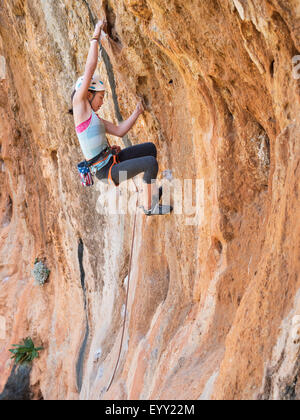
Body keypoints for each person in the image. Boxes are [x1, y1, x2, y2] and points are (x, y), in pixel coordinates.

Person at [71, 19, 173, 216]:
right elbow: (90, 68)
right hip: (106, 172)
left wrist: (137, 111)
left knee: (150, 149)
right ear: (89, 94)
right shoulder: (80, 107)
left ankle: (149, 196)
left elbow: (119, 131)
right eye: (100, 97)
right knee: (150, 163)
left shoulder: (95, 119)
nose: (101, 102)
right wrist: (96, 33)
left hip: (113, 160)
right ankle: (149, 206)